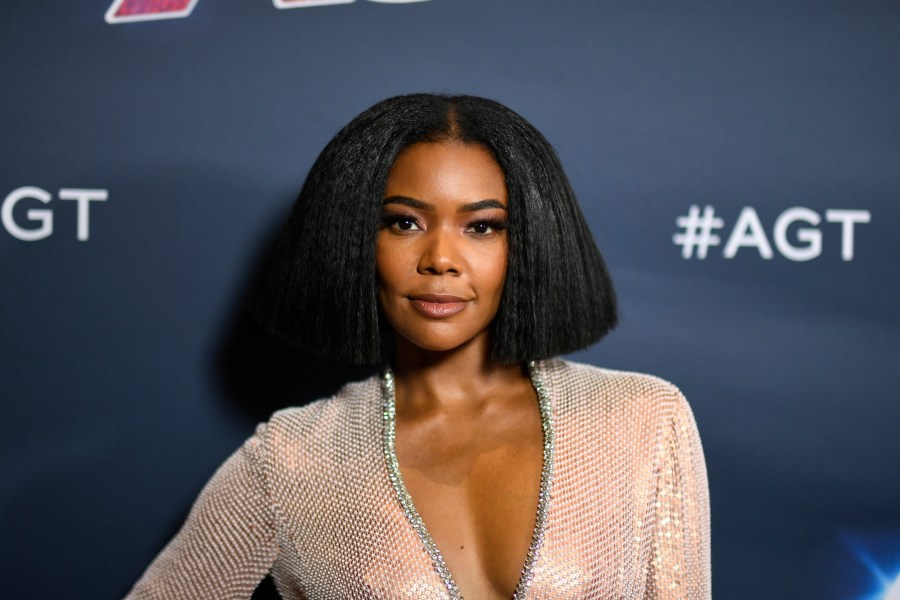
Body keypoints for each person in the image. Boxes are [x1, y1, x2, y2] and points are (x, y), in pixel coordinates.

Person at [124, 93, 710, 599]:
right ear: (355, 238)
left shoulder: (642, 417)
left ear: (527, 244)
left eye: (482, 226)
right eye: (404, 222)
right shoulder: (291, 458)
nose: (440, 260)